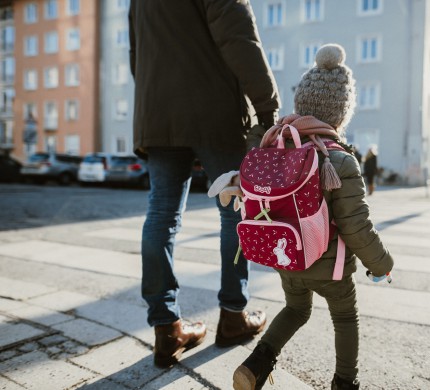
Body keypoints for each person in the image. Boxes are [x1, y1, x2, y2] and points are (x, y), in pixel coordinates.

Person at [230, 44, 394, 390]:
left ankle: (255, 366)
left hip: (285, 256)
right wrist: (381, 264)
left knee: (296, 310)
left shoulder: (277, 148)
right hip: (329, 266)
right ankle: (344, 384)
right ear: (340, 114)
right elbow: (355, 225)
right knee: (346, 317)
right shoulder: (340, 160)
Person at [128, 0, 280, 368]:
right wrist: (267, 107)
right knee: (233, 211)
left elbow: (137, 55)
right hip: (215, 112)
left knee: (161, 214)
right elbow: (240, 38)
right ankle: (233, 315)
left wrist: (160, 104)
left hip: (158, 114)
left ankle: (167, 328)